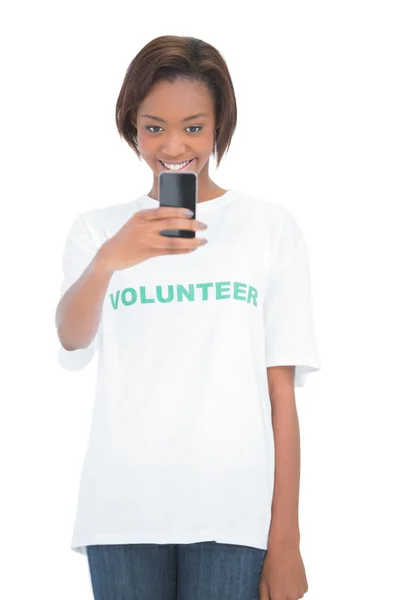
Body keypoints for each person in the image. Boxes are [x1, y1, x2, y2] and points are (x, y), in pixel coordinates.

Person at [55, 35, 321, 600]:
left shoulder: (269, 228)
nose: (174, 145)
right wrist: (109, 260)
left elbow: (281, 394)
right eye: (154, 127)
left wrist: (287, 539)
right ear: (132, 125)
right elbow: (72, 339)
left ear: (221, 124)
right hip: (121, 509)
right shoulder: (98, 230)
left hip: (231, 511)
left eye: (194, 127)